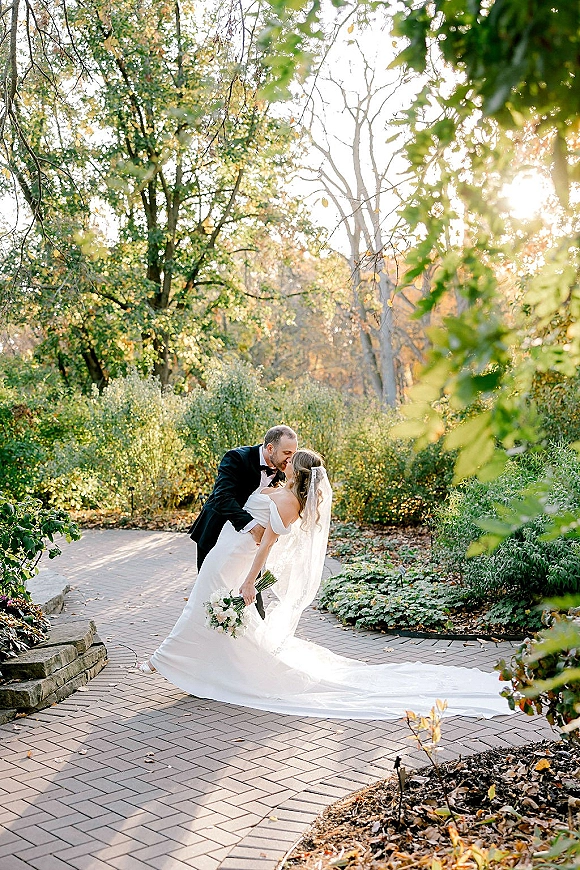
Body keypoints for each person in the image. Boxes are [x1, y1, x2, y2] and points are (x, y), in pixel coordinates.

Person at [138, 449, 511, 721]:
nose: (284, 464)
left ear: (297, 472)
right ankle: (199, 664)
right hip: (227, 550)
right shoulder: (290, 497)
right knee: (210, 607)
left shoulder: (284, 501)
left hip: (232, 557)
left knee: (202, 603)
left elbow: (266, 544)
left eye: (290, 462)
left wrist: (250, 581)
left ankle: (163, 660)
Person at [188, 425, 298, 617]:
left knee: (254, 602)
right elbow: (222, 497)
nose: (290, 459)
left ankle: (253, 645)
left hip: (251, 549)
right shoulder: (236, 458)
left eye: (293, 453)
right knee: (211, 597)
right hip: (216, 537)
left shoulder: (284, 470)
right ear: (270, 448)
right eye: (287, 452)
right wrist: (253, 527)